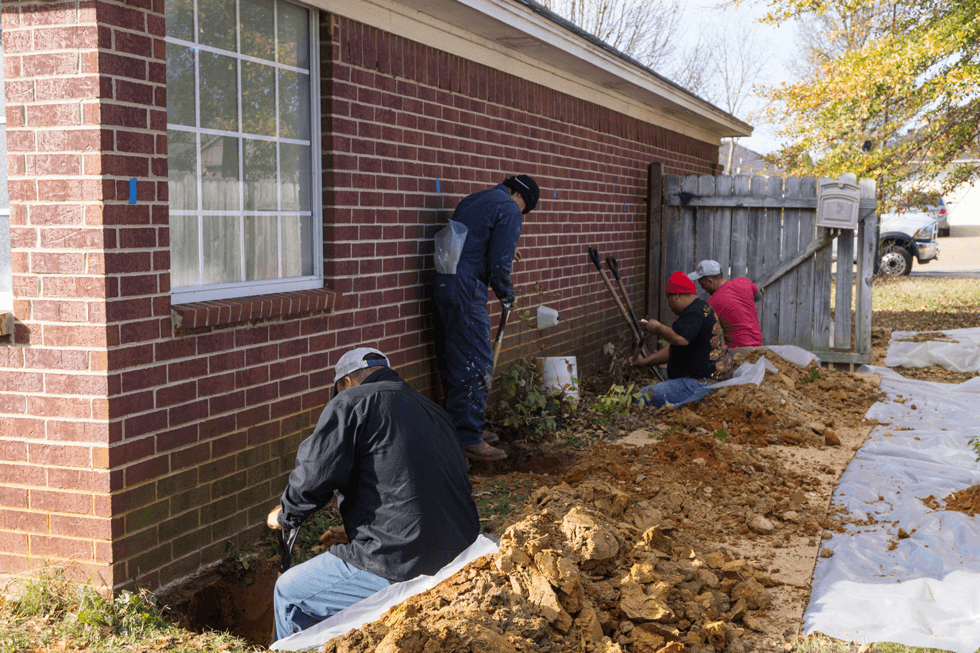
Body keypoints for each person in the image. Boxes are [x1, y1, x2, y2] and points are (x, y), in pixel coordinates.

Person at [267, 347, 480, 642]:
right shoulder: (433, 410)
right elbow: (412, 485)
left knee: (289, 591)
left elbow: (315, 475)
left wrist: (287, 513)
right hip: (460, 555)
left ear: (346, 382)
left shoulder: (352, 402)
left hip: (400, 562)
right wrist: (357, 529)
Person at [432, 174, 540, 461]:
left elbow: (472, 243)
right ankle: (469, 436)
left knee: (453, 357)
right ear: (519, 196)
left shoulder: (473, 199)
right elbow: (498, 264)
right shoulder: (508, 208)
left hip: (444, 282)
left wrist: (502, 248)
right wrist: (506, 294)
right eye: (524, 209)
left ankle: (460, 425)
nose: (522, 215)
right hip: (467, 289)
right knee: (476, 360)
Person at [630, 271, 733, 407]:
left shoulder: (693, 313)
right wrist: (645, 362)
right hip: (712, 380)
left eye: (668, 298)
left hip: (700, 384)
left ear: (676, 295)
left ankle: (690, 403)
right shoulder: (703, 307)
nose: (669, 305)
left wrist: (659, 328)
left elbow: (680, 340)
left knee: (642, 396)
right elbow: (675, 346)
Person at [688, 260, 763, 348]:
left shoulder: (711, 303)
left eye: (702, 284)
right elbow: (758, 297)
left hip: (737, 352)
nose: (703, 288)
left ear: (710, 281)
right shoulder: (744, 282)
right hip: (759, 347)